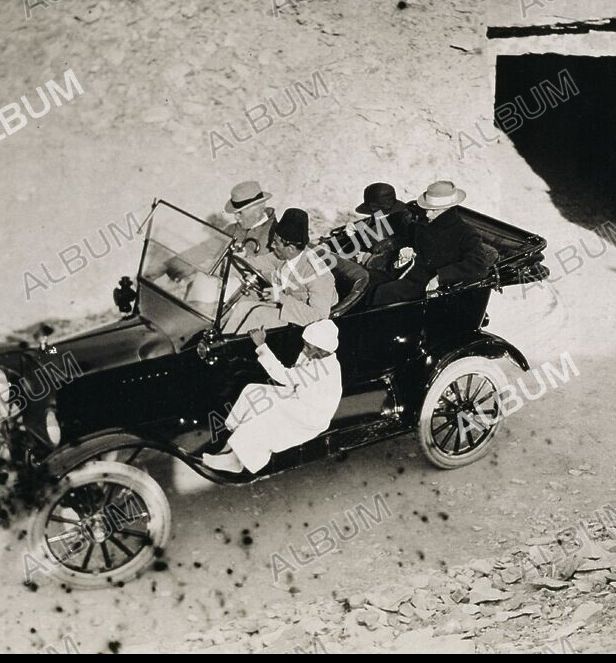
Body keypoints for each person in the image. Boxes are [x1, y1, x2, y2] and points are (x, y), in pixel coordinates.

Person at [203, 320, 343, 474]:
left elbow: (284, 376)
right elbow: (293, 380)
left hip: (311, 415)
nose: (304, 349)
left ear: (324, 351)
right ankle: (228, 448)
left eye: (308, 347)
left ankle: (237, 461)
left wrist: (261, 345)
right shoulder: (314, 355)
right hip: (298, 398)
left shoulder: (323, 367)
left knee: (265, 411)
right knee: (253, 391)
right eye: (305, 344)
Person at [371, 180, 491, 305]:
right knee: (371, 281)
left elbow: (479, 265)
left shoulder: (465, 232)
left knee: (385, 292)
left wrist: (441, 277)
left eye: (434, 210)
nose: (427, 214)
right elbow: (407, 246)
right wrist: (403, 256)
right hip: (407, 274)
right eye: (427, 209)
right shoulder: (422, 225)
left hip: (430, 286)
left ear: (446, 210)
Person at [225, 208, 338, 332]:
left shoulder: (317, 272)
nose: (271, 246)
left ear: (290, 248)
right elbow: (253, 263)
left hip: (301, 321)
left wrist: (281, 298)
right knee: (242, 306)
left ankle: (229, 350)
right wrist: (226, 260)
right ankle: (217, 345)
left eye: (275, 243)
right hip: (286, 305)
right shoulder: (282, 256)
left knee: (257, 315)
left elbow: (319, 318)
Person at [223, 180, 278, 269]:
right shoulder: (230, 229)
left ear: (256, 212)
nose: (236, 218)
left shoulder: (275, 235)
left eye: (240, 213)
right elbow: (205, 249)